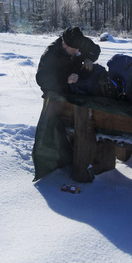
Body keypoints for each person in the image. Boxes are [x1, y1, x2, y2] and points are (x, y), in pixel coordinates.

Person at [32, 27, 101, 181]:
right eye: (73, 50)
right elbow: (42, 79)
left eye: (79, 49)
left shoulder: (79, 42)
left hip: (76, 83)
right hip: (57, 89)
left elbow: (95, 49)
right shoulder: (51, 53)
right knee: (60, 119)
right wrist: (65, 80)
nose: (77, 52)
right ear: (64, 44)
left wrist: (90, 58)